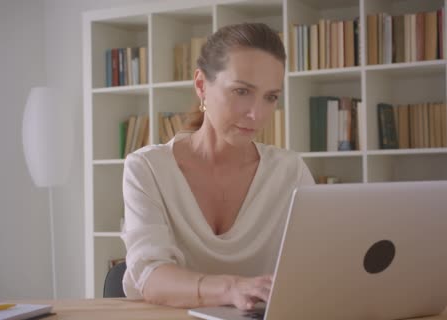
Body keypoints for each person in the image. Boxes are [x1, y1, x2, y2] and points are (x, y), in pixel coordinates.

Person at [121, 22, 314, 310]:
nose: (256, 114)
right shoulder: (147, 168)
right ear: (201, 85)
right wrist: (231, 288)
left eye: (270, 97)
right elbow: (151, 277)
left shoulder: (290, 172)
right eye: (241, 91)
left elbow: (318, 266)